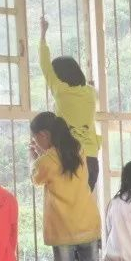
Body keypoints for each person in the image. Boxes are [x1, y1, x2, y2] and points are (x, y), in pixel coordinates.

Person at [30, 112, 110, 261]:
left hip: (64, 228)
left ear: (44, 135)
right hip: (87, 223)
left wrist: (34, 157)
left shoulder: (46, 161)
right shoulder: (78, 150)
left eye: (36, 139)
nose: (36, 143)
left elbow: (35, 178)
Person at [40, 17, 101, 191]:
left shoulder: (60, 91)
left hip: (70, 157)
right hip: (91, 158)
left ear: (59, 75)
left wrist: (43, 35)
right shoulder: (91, 93)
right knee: (84, 202)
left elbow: (45, 65)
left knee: (68, 203)